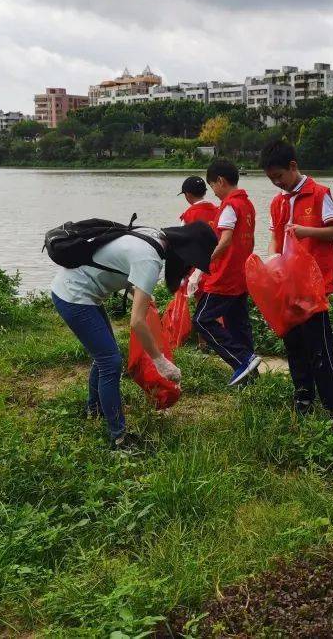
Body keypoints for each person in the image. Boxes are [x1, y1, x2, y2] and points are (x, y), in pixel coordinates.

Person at [50, 221, 216, 451]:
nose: (188, 268)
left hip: (79, 290)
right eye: (191, 262)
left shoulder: (150, 233)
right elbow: (137, 322)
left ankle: (94, 410)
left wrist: (139, 293)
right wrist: (161, 362)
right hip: (74, 296)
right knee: (110, 362)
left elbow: (117, 262)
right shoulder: (150, 259)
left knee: (105, 357)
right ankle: (119, 438)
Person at [258, 139, 333, 432]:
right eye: (272, 180)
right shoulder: (278, 203)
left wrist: (304, 231)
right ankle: (303, 397)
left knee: (319, 349)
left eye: (280, 177)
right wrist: (271, 262)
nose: (278, 184)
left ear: (293, 166)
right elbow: (275, 237)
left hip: (313, 288)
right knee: (294, 346)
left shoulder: (319, 193)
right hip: (287, 287)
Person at [193, 158, 261, 386]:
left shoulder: (230, 205)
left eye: (212, 186)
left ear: (220, 181)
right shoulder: (247, 204)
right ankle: (250, 380)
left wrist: (203, 262)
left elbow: (225, 240)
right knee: (237, 325)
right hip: (241, 276)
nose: (213, 192)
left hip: (224, 277)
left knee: (202, 320)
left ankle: (242, 359)